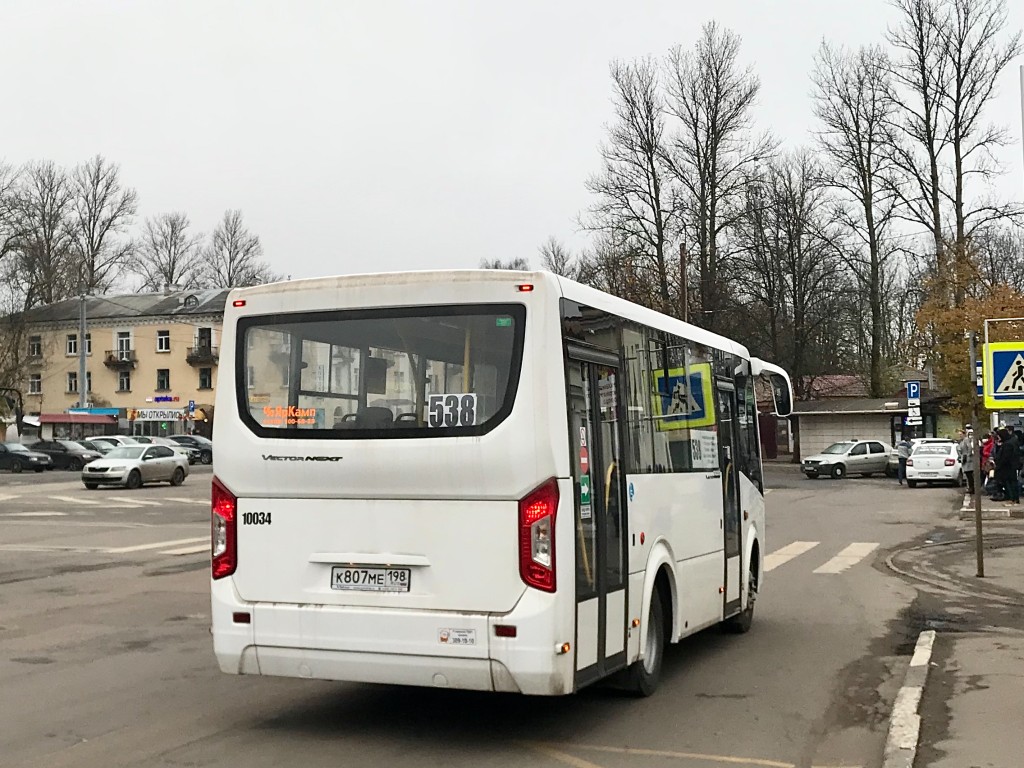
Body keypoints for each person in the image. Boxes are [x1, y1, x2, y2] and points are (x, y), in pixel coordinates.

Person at [994, 428, 1020, 505]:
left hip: (1008, 467)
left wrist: (998, 465)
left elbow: (1005, 457)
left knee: (1009, 483)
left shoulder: (1007, 444)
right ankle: (1014, 499)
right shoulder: (1012, 441)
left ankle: (1013, 499)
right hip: (1012, 466)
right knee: (1013, 483)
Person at [958, 428, 975, 495]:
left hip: (968, 460)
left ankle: (972, 488)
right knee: (967, 474)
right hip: (964, 459)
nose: (960, 436)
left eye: (961, 434)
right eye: (959, 435)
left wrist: (968, 455)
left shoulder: (966, 440)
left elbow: (969, 448)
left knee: (969, 474)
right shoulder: (961, 441)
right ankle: (970, 487)